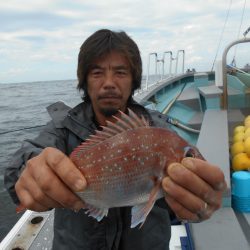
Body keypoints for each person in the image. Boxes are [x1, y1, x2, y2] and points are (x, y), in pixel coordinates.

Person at [4, 29, 226, 250]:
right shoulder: (62, 130)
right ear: (85, 81)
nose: (109, 82)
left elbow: (176, 205)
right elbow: (19, 167)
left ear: (133, 80)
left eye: (120, 72)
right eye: (97, 72)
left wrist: (197, 202)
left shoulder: (160, 130)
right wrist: (29, 172)